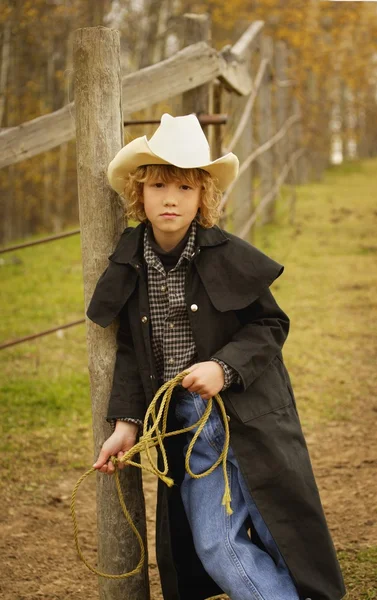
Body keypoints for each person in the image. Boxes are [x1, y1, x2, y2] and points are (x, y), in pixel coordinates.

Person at [86, 113, 346, 600]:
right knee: (215, 544)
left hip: (247, 416)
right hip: (185, 426)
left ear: (203, 196)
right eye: (159, 184)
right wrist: (126, 421)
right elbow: (129, 347)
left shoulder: (229, 255)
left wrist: (223, 367)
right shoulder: (131, 261)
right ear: (138, 193)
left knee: (279, 530)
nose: (170, 198)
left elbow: (271, 325)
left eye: (185, 188)